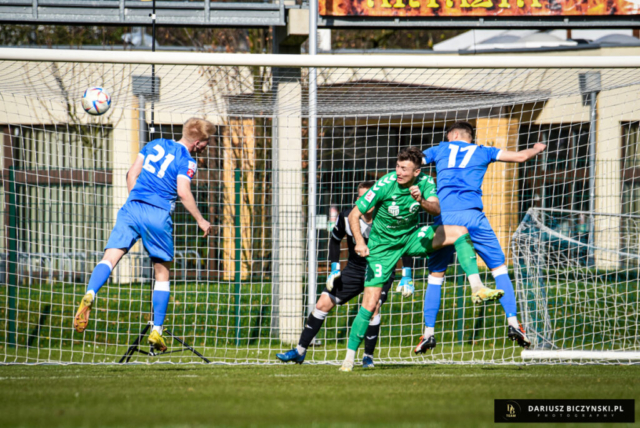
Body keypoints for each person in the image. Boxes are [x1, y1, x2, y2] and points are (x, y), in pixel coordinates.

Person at [339, 147, 498, 372]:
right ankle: (349, 358)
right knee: (370, 304)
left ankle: (477, 286)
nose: (399, 172)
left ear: (416, 172)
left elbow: (436, 209)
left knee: (460, 231)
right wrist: (359, 242)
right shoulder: (385, 184)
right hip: (382, 248)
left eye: (404, 168)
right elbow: (354, 214)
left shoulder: (425, 182)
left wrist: (421, 200)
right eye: (397, 166)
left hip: (410, 238)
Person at [73, 118, 216, 352]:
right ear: (198, 142)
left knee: (109, 259)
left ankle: (90, 293)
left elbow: (131, 174)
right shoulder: (187, 160)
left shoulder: (154, 144)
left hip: (131, 207)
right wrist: (201, 220)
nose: (206, 146)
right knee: (162, 274)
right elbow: (183, 191)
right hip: (157, 214)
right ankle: (157, 330)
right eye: (207, 142)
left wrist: (135, 203)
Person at [418, 121, 546, 352]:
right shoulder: (484, 150)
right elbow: (520, 157)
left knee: (436, 277)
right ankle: (514, 324)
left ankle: (428, 333)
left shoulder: (440, 149)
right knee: (499, 269)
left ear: (453, 135)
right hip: (474, 217)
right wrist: (536, 148)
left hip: (445, 218)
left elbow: (413, 163)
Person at [276, 182, 414, 369]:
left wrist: (407, 274)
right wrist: (334, 268)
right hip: (355, 269)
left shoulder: (388, 217)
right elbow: (334, 241)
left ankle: (368, 357)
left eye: (371, 197)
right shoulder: (347, 217)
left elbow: (404, 244)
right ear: (358, 200)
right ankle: (300, 351)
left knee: (373, 308)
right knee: (322, 303)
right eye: (362, 197)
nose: (366, 201)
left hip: (381, 270)